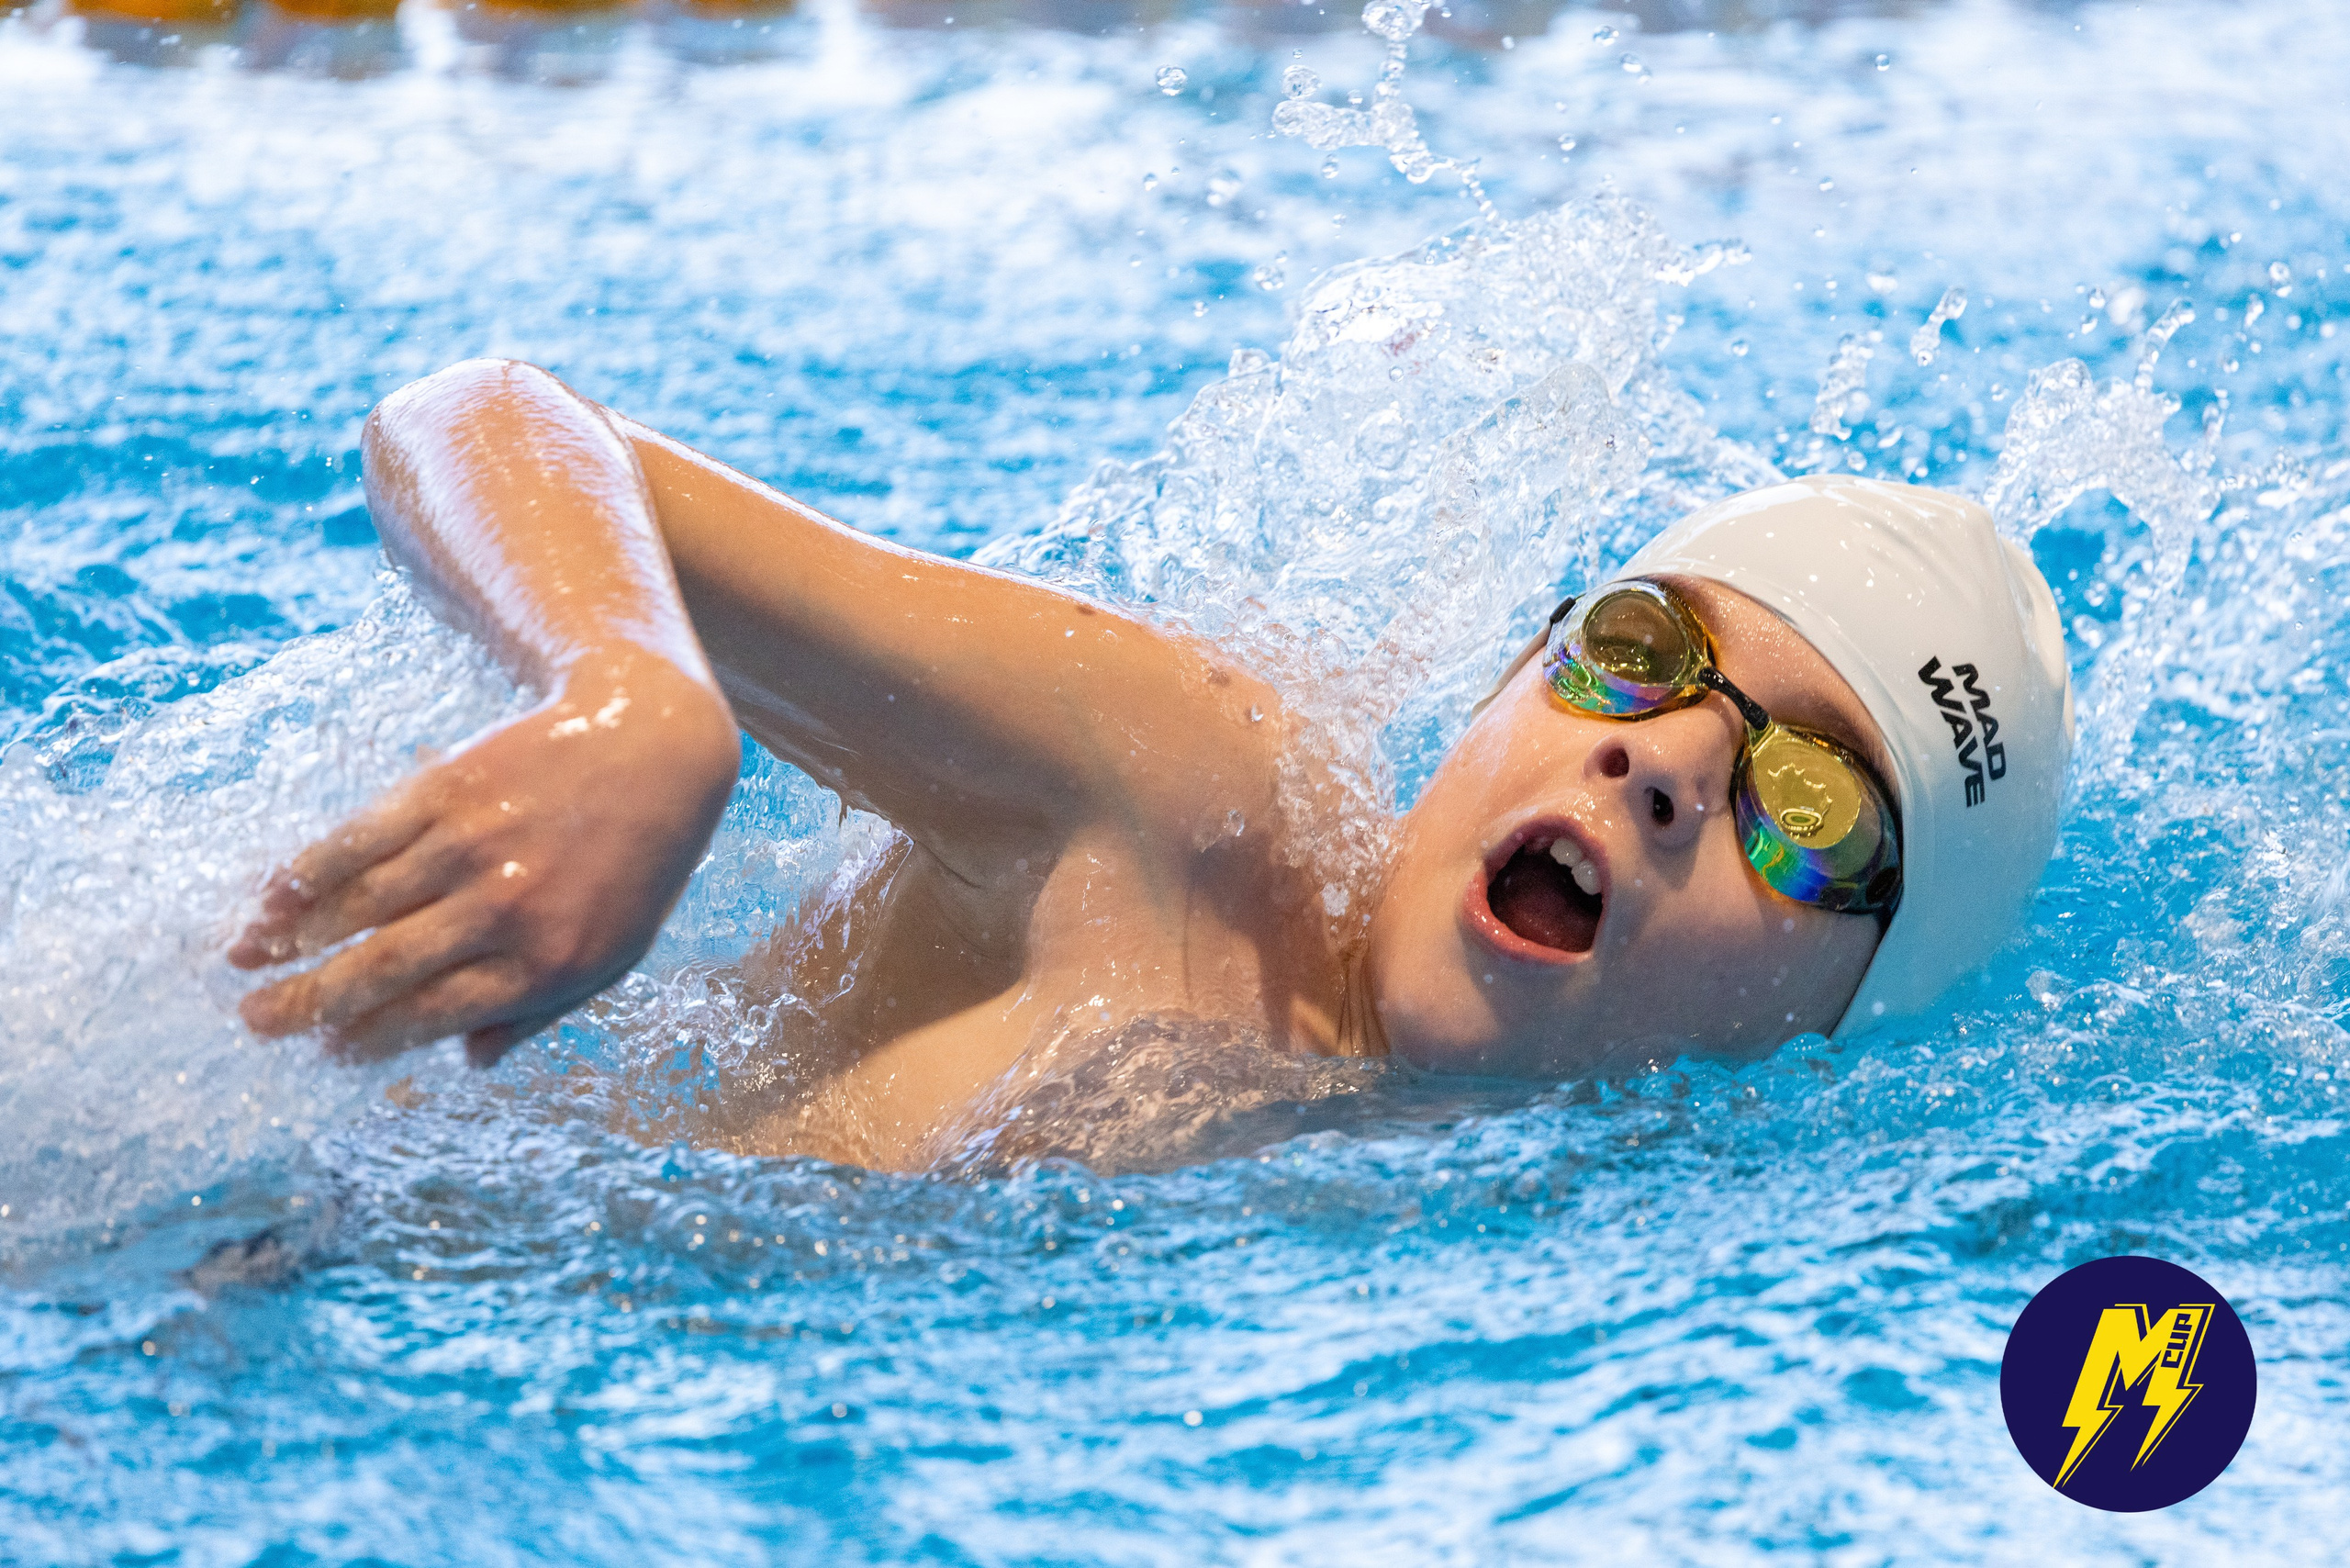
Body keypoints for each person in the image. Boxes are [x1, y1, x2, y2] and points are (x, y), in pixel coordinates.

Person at [228, 358, 2073, 1170]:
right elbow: (480, 414)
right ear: (1515, 679)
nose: (1660, 760)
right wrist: (627, 697)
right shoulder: (1190, 809)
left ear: (1847, 1005)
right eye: (1637, 648)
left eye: (1807, 806)